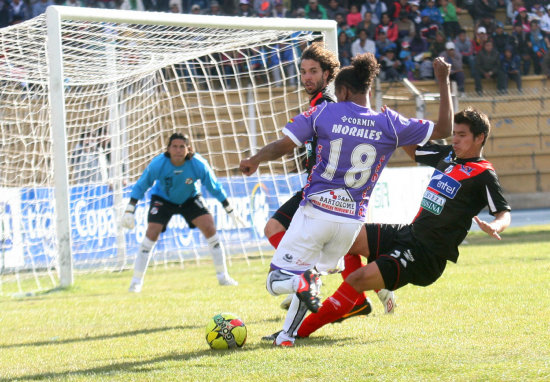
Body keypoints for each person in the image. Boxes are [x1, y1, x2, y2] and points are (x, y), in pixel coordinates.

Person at [239, 54, 453, 346]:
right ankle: (287, 335)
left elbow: (283, 145)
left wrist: (255, 159)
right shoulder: (389, 123)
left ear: (341, 91)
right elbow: (444, 130)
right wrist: (442, 81)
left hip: (316, 212)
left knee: (277, 280)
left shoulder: (325, 112)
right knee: (307, 274)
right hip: (351, 223)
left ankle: (301, 282)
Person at [297, 107, 512, 339]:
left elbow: (503, 212)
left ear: (479, 138)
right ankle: (369, 289)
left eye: (462, 135)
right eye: (455, 133)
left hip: (426, 255)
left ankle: (298, 333)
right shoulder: (449, 155)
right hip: (408, 232)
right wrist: (398, 127)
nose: (455, 139)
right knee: (345, 236)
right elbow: (415, 152)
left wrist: (495, 226)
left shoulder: (484, 174)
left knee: (356, 279)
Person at [121, 133, 242, 292]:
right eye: (174, 146)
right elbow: (142, 184)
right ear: (168, 149)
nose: (178, 150)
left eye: (182, 146)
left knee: (209, 227)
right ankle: (136, 282)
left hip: (190, 198)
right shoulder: (158, 164)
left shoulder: (198, 164)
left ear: (188, 148)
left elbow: (214, 187)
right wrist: (130, 209)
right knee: (152, 232)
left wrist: (229, 209)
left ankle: (223, 277)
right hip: (163, 199)